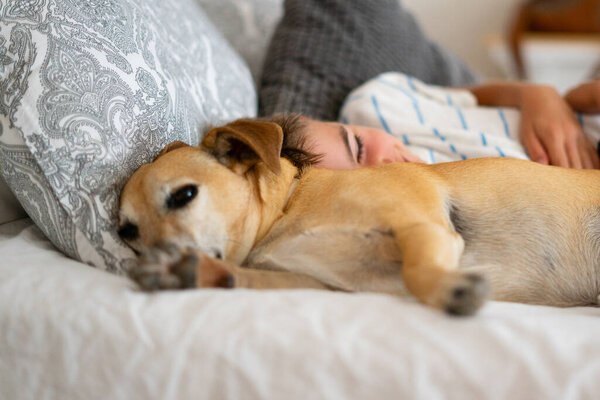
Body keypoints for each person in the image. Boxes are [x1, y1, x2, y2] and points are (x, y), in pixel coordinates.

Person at [299, 78, 600, 170]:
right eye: (361, 180)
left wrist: (537, 95)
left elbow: (473, 95)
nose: (383, 163)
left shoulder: (373, 104)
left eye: (358, 145)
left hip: (571, 113)